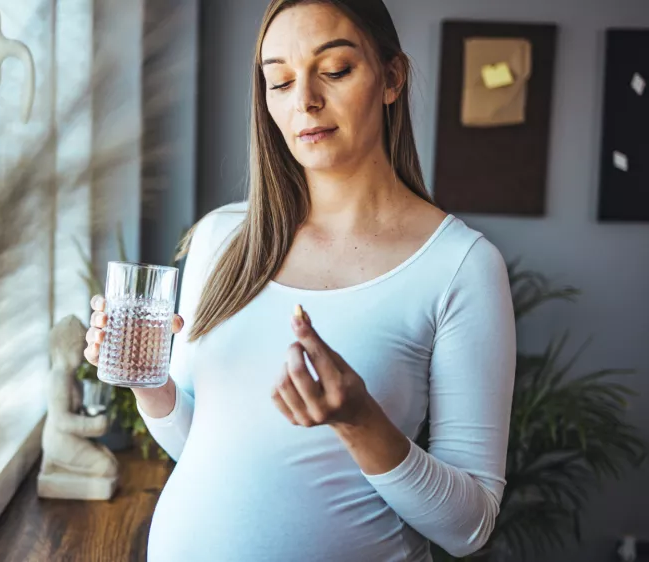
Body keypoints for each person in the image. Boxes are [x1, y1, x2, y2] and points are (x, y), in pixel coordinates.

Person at [84, 1, 516, 560]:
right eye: (280, 81)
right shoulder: (220, 239)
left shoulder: (460, 266)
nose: (304, 101)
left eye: (334, 71)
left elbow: (470, 527)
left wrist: (361, 423)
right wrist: (150, 384)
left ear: (391, 78)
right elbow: (203, 448)